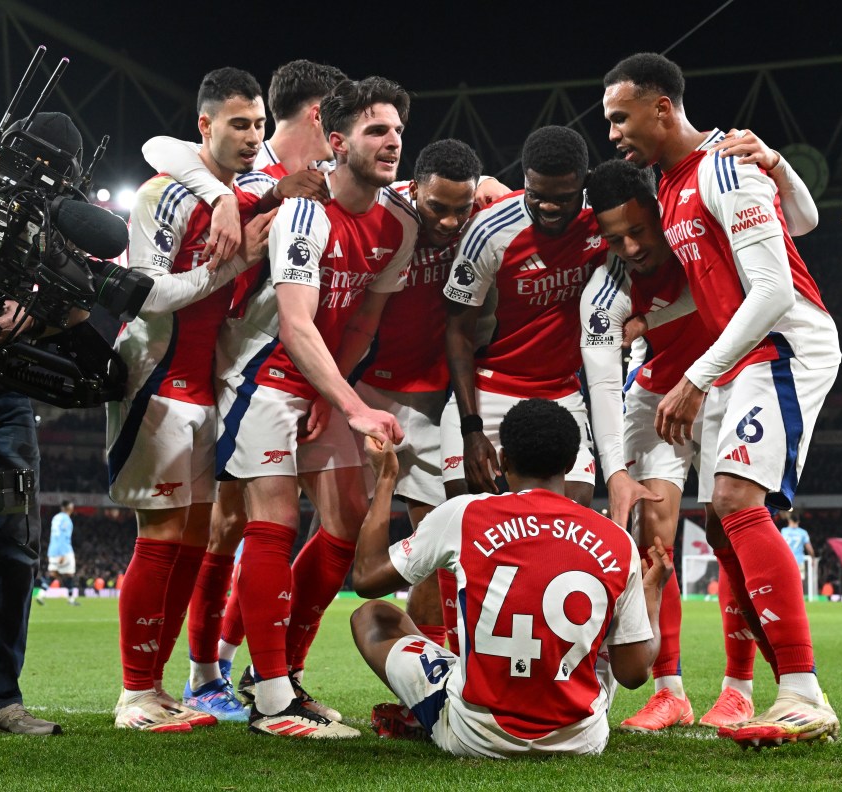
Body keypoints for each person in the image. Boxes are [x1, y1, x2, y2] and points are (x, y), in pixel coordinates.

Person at [602, 52, 841, 747]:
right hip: (747, 359)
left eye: (621, 117)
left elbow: (772, 290)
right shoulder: (675, 183)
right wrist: (782, 168)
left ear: (662, 108)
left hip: (786, 345)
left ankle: (799, 690)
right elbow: (804, 220)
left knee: (736, 502)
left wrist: (695, 377)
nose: (614, 132)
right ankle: (773, 686)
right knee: (729, 518)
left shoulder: (723, 168)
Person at [142, 59, 349, 721]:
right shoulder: (245, 175)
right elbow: (163, 148)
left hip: (287, 378)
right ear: (320, 116)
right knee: (226, 528)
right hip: (227, 376)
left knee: (287, 525)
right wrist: (229, 196)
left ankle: (257, 670)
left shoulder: (326, 187)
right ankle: (207, 674)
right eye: (339, 120)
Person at [212, 76, 415, 739]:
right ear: (337, 141)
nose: (392, 142)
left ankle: (284, 674)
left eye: (398, 132)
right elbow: (297, 324)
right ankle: (269, 700)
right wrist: (354, 405)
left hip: (322, 381)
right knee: (268, 517)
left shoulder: (401, 224)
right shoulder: (306, 208)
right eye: (376, 130)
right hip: (264, 373)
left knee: (348, 523)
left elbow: (360, 324)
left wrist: (337, 395)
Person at [350, 398, 671, 757]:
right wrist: (651, 592)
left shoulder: (465, 514)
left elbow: (366, 578)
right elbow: (633, 673)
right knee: (610, 632)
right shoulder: (616, 539)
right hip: (580, 741)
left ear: (502, 461)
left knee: (373, 617)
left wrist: (386, 478)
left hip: (475, 737)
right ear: (569, 464)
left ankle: (438, 703)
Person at [106, 66, 273, 732]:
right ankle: (133, 694)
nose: (252, 137)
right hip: (155, 375)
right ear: (205, 125)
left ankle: (157, 688)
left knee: (195, 536)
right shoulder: (159, 195)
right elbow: (148, 293)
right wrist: (232, 264)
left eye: (258, 124)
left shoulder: (237, 190)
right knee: (164, 533)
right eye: (239, 124)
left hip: (203, 380)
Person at [442, 126, 643, 510]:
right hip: (489, 390)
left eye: (562, 199)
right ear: (524, 181)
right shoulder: (489, 231)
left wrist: (640, 321)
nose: (548, 207)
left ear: (584, 184)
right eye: (537, 196)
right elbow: (457, 332)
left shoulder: (603, 220)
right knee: (468, 519)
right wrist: (472, 428)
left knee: (571, 515)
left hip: (561, 392)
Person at [356, 139, 489, 656]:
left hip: (435, 401)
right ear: (413, 189)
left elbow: (560, 196)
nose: (453, 221)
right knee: (335, 536)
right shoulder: (381, 214)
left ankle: (429, 675)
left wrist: (769, 163)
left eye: (463, 208)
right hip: (363, 391)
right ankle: (256, 669)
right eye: (439, 207)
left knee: (432, 546)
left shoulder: (487, 212)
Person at [0, 112, 90, 736]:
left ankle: (2, 698)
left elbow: (81, 301)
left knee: (11, 545)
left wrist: (31, 319)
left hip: (7, 400)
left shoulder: (42, 228)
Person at [41, 501, 79, 605]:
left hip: (52, 549)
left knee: (53, 573)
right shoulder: (66, 519)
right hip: (64, 550)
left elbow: (55, 535)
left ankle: (41, 595)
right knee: (70, 574)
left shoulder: (55, 518)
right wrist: (62, 554)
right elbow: (63, 536)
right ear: (69, 508)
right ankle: (71, 600)